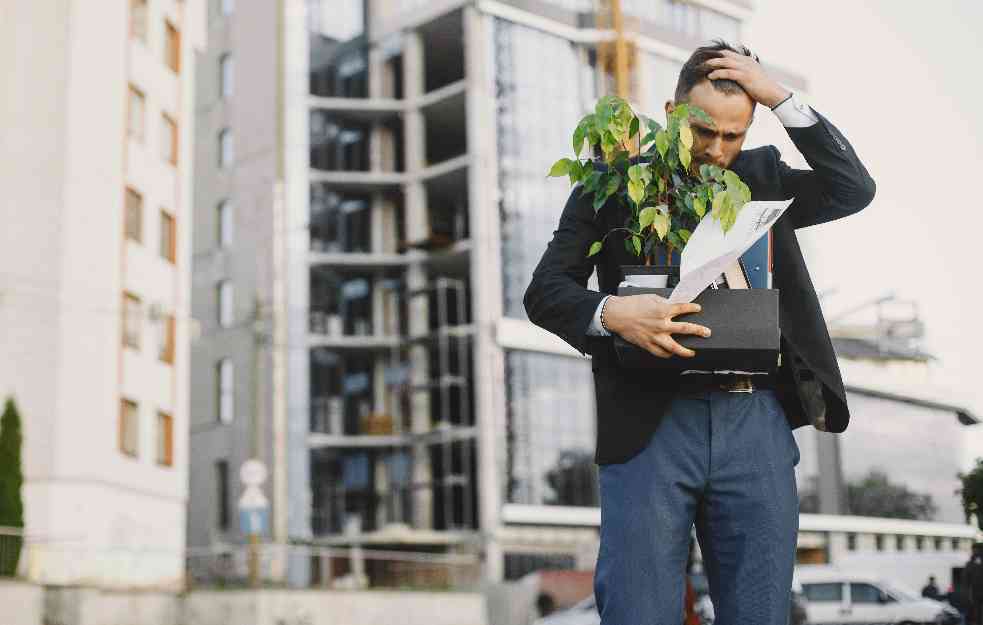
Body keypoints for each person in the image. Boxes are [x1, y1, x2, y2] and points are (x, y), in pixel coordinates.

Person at [523, 40, 875, 625]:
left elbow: (851, 189)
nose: (716, 150)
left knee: (760, 613)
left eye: (733, 136)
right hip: (648, 426)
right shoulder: (610, 186)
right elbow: (546, 291)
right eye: (703, 132)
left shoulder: (764, 178)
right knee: (637, 612)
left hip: (754, 424)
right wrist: (612, 313)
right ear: (671, 114)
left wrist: (780, 97)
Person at [965, 543, 983, 625]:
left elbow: (966, 578)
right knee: (978, 613)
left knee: (978, 613)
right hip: (976, 592)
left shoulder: (971, 562)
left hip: (976, 592)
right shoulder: (971, 562)